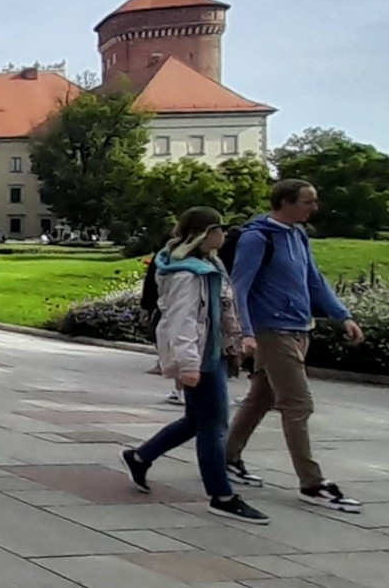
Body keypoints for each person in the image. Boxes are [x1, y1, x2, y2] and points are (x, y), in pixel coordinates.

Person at [224, 179, 367, 513]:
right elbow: (239, 288)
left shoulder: (298, 235)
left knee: (262, 396)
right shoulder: (257, 238)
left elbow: (314, 280)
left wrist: (341, 315)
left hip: (299, 327)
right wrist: (245, 332)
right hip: (272, 330)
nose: (313, 208)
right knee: (298, 404)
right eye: (307, 202)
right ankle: (312, 483)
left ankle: (227, 457)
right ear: (285, 202)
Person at [121, 207, 269, 524]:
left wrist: (238, 338)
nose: (225, 235)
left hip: (211, 351)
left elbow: (221, 311)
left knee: (196, 421)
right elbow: (182, 321)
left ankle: (139, 457)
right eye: (220, 229)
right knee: (213, 426)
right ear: (203, 234)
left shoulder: (209, 263)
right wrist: (189, 365)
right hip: (200, 357)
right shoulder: (187, 273)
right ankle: (222, 495)